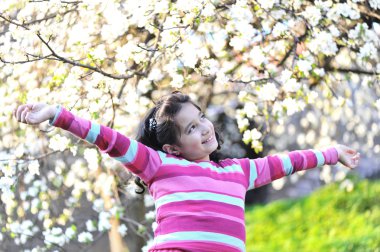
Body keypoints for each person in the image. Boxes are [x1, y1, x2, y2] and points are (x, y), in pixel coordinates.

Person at [14, 92, 360, 252]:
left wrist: (331, 153)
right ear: (173, 148)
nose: (205, 129)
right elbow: (110, 140)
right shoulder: (160, 166)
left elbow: (287, 162)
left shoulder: (239, 171)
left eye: (202, 119)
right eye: (192, 128)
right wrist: (58, 115)